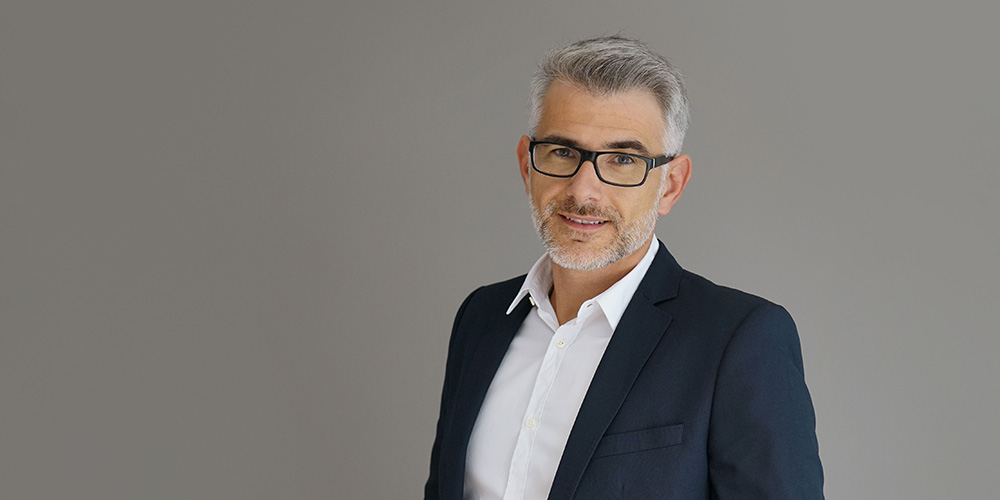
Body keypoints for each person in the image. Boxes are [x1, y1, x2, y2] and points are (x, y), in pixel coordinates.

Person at [424, 36, 823, 500]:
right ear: (526, 166)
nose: (583, 190)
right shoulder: (481, 317)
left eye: (622, 160)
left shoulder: (740, 340)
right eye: (562, 152)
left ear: (670, 185)